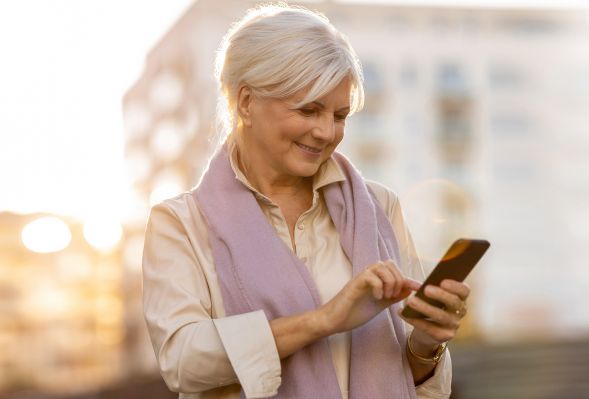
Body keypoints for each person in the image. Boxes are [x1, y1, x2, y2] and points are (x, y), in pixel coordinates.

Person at [142, 4, 470, 399]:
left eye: (340, 114)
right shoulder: (180, 224)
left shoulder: (380, 207)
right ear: (246, 102)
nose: (326, 131)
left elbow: (416, 381)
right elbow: (183, 363)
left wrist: (427, 343)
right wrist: (324, 320)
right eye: (309, 109)